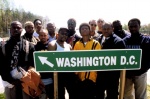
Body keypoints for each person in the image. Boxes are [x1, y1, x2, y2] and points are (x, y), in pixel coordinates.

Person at [0, 21, 35, 99]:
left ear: (22, 29)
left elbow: (32, 65)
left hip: (25, 83)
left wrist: (25, 78)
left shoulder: (29, 46)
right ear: (10, 30)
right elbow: (1, 66)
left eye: (18, 28)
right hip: (10, 84)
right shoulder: (3, 47)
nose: (16, 29)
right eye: (13, 28)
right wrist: (11, 80)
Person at [96, 22, 126, 99]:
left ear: (112, 29)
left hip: (112, 76)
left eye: (108, 29)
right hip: (99, 75)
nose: (106, 31)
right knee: (99, 95)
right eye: (104, 29)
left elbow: (122, 60)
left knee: (112, 96)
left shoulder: (119, 41)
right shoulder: (97, 39)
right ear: (101, 29)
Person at [123, 18, 150, 99]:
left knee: (141, 96)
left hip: (140, 74)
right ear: (128, 27)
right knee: (126, 95)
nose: (133, 28)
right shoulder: (125, 40)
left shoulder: (146, 40)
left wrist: (144, 69)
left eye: (135, 26)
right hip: (127, 74)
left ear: (139, 26)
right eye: (131, 27)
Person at [74, 23, 101, 99]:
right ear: (80, 32)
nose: (84, 30)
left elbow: (97, 60)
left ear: (90, 30)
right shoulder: (77, 44)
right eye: (82, 29)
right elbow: (75, 60)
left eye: (86, 28)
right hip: (80, 77)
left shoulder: (96, 43)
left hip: (92, 77)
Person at [48, 27, 72, 99]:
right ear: (58, 34)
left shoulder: (69, 46)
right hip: (57, 74)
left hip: (68, 74)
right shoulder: (52, 45)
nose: (64, 35)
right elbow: (51, 61)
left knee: (73, 93)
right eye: (62, 33)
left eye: (66, 34)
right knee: (60, 95)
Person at [35, 29, 54, 99]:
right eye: (41, 35)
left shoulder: (52, 46)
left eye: (45, 35)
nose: (43, 37)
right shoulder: (34, 47)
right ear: (38, 36)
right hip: (39, 80)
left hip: (51, 80)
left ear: (47, 36)